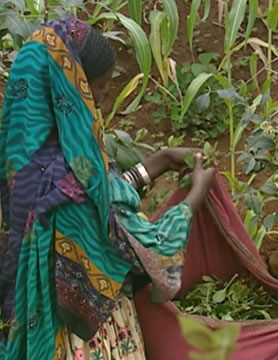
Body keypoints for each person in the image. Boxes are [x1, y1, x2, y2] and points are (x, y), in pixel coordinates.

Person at [0, 16, 215, 360]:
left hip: (33, 328)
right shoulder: (68, 186)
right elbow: (149, 255)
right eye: (96, 88)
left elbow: (103, 196)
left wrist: (154, 164)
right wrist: (193, 199)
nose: (98, 102)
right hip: (90, 340)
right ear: (68, 88)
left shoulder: (23, 164)